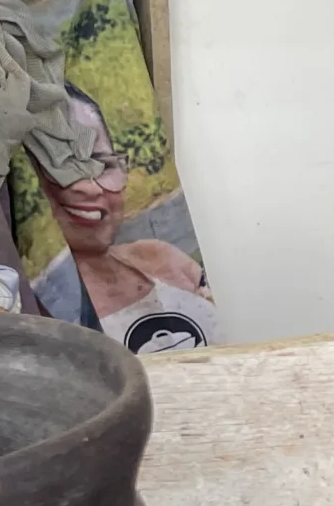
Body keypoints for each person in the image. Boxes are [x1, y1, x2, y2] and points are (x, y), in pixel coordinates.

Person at [35, 88, 217, 352]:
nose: (89, 187)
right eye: (60, 168)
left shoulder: (160, 257)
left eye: (103, 164)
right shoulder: (44, 299)